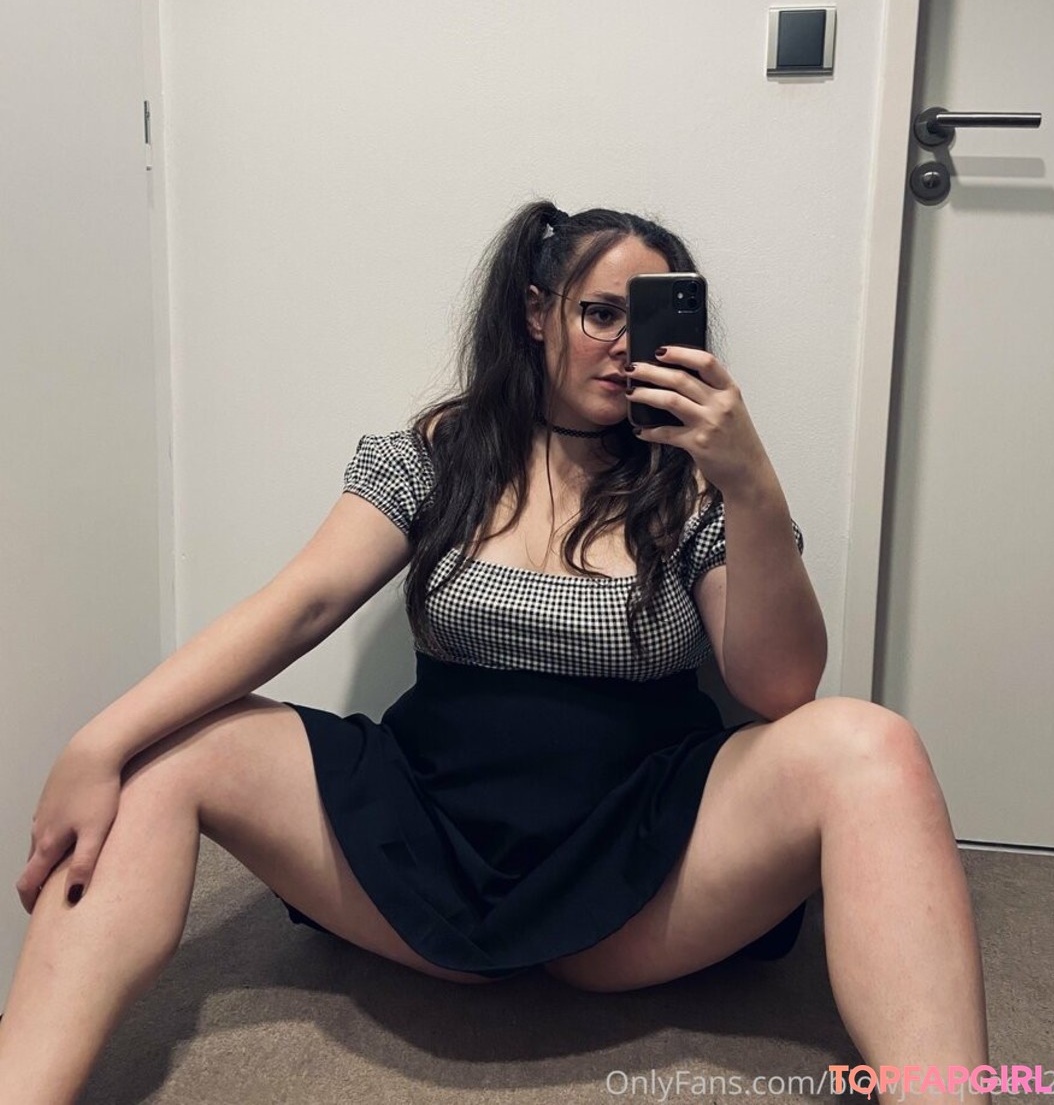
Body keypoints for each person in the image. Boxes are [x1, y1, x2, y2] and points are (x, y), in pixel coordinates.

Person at [0, 200, 991, 1103]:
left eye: (646, 322)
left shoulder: (693, 483)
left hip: (642, 862)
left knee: (873, 745)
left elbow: (780, 686)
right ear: (535, 312)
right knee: (164, 750)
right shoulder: (444, 450)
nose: (622, 346)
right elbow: (302, 603)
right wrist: (99, 741)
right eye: (599, 314)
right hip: (429, 834)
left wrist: (750, 482)